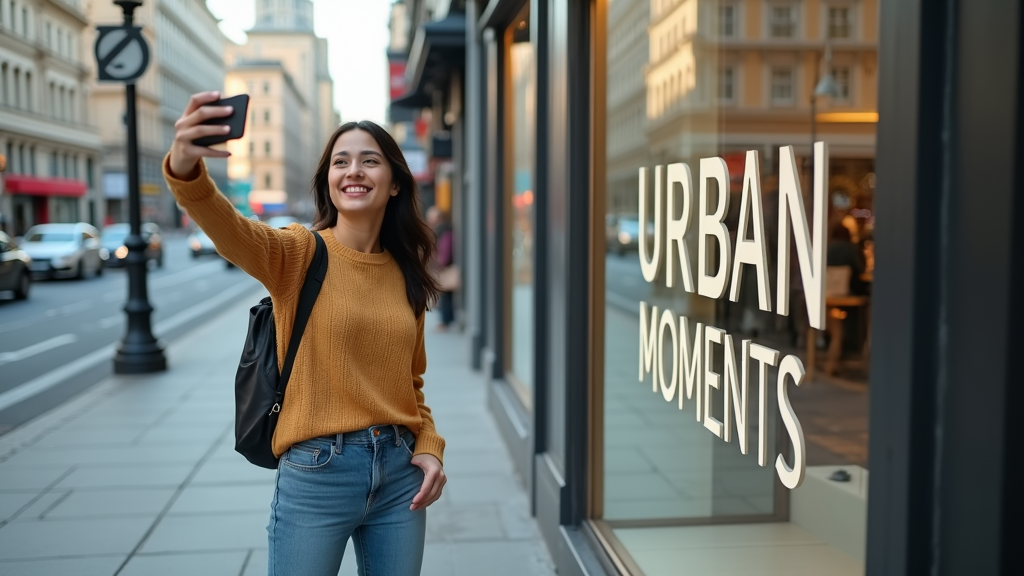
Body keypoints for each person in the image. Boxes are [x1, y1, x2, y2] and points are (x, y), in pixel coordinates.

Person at [165, 92, 446, 576]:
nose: (353, 170)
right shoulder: (298, 254)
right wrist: (187, 166)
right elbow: (229, 227)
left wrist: (429, 446)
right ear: (329, 183)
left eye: (369, 161)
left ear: (395, 183)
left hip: (401, 476)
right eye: (341, 162)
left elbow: (411, 383)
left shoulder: (407, 274)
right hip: (319, 472)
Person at [426, 206, 455, 331]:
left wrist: (440, 263)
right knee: (446, 294)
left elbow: (445, 252)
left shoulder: (444, 232)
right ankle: (447, 320)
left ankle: (446, 321)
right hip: (445, 267)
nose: (430, 221)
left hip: (447, 268)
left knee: (446, 294)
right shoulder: (440, 231)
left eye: (432, 218)